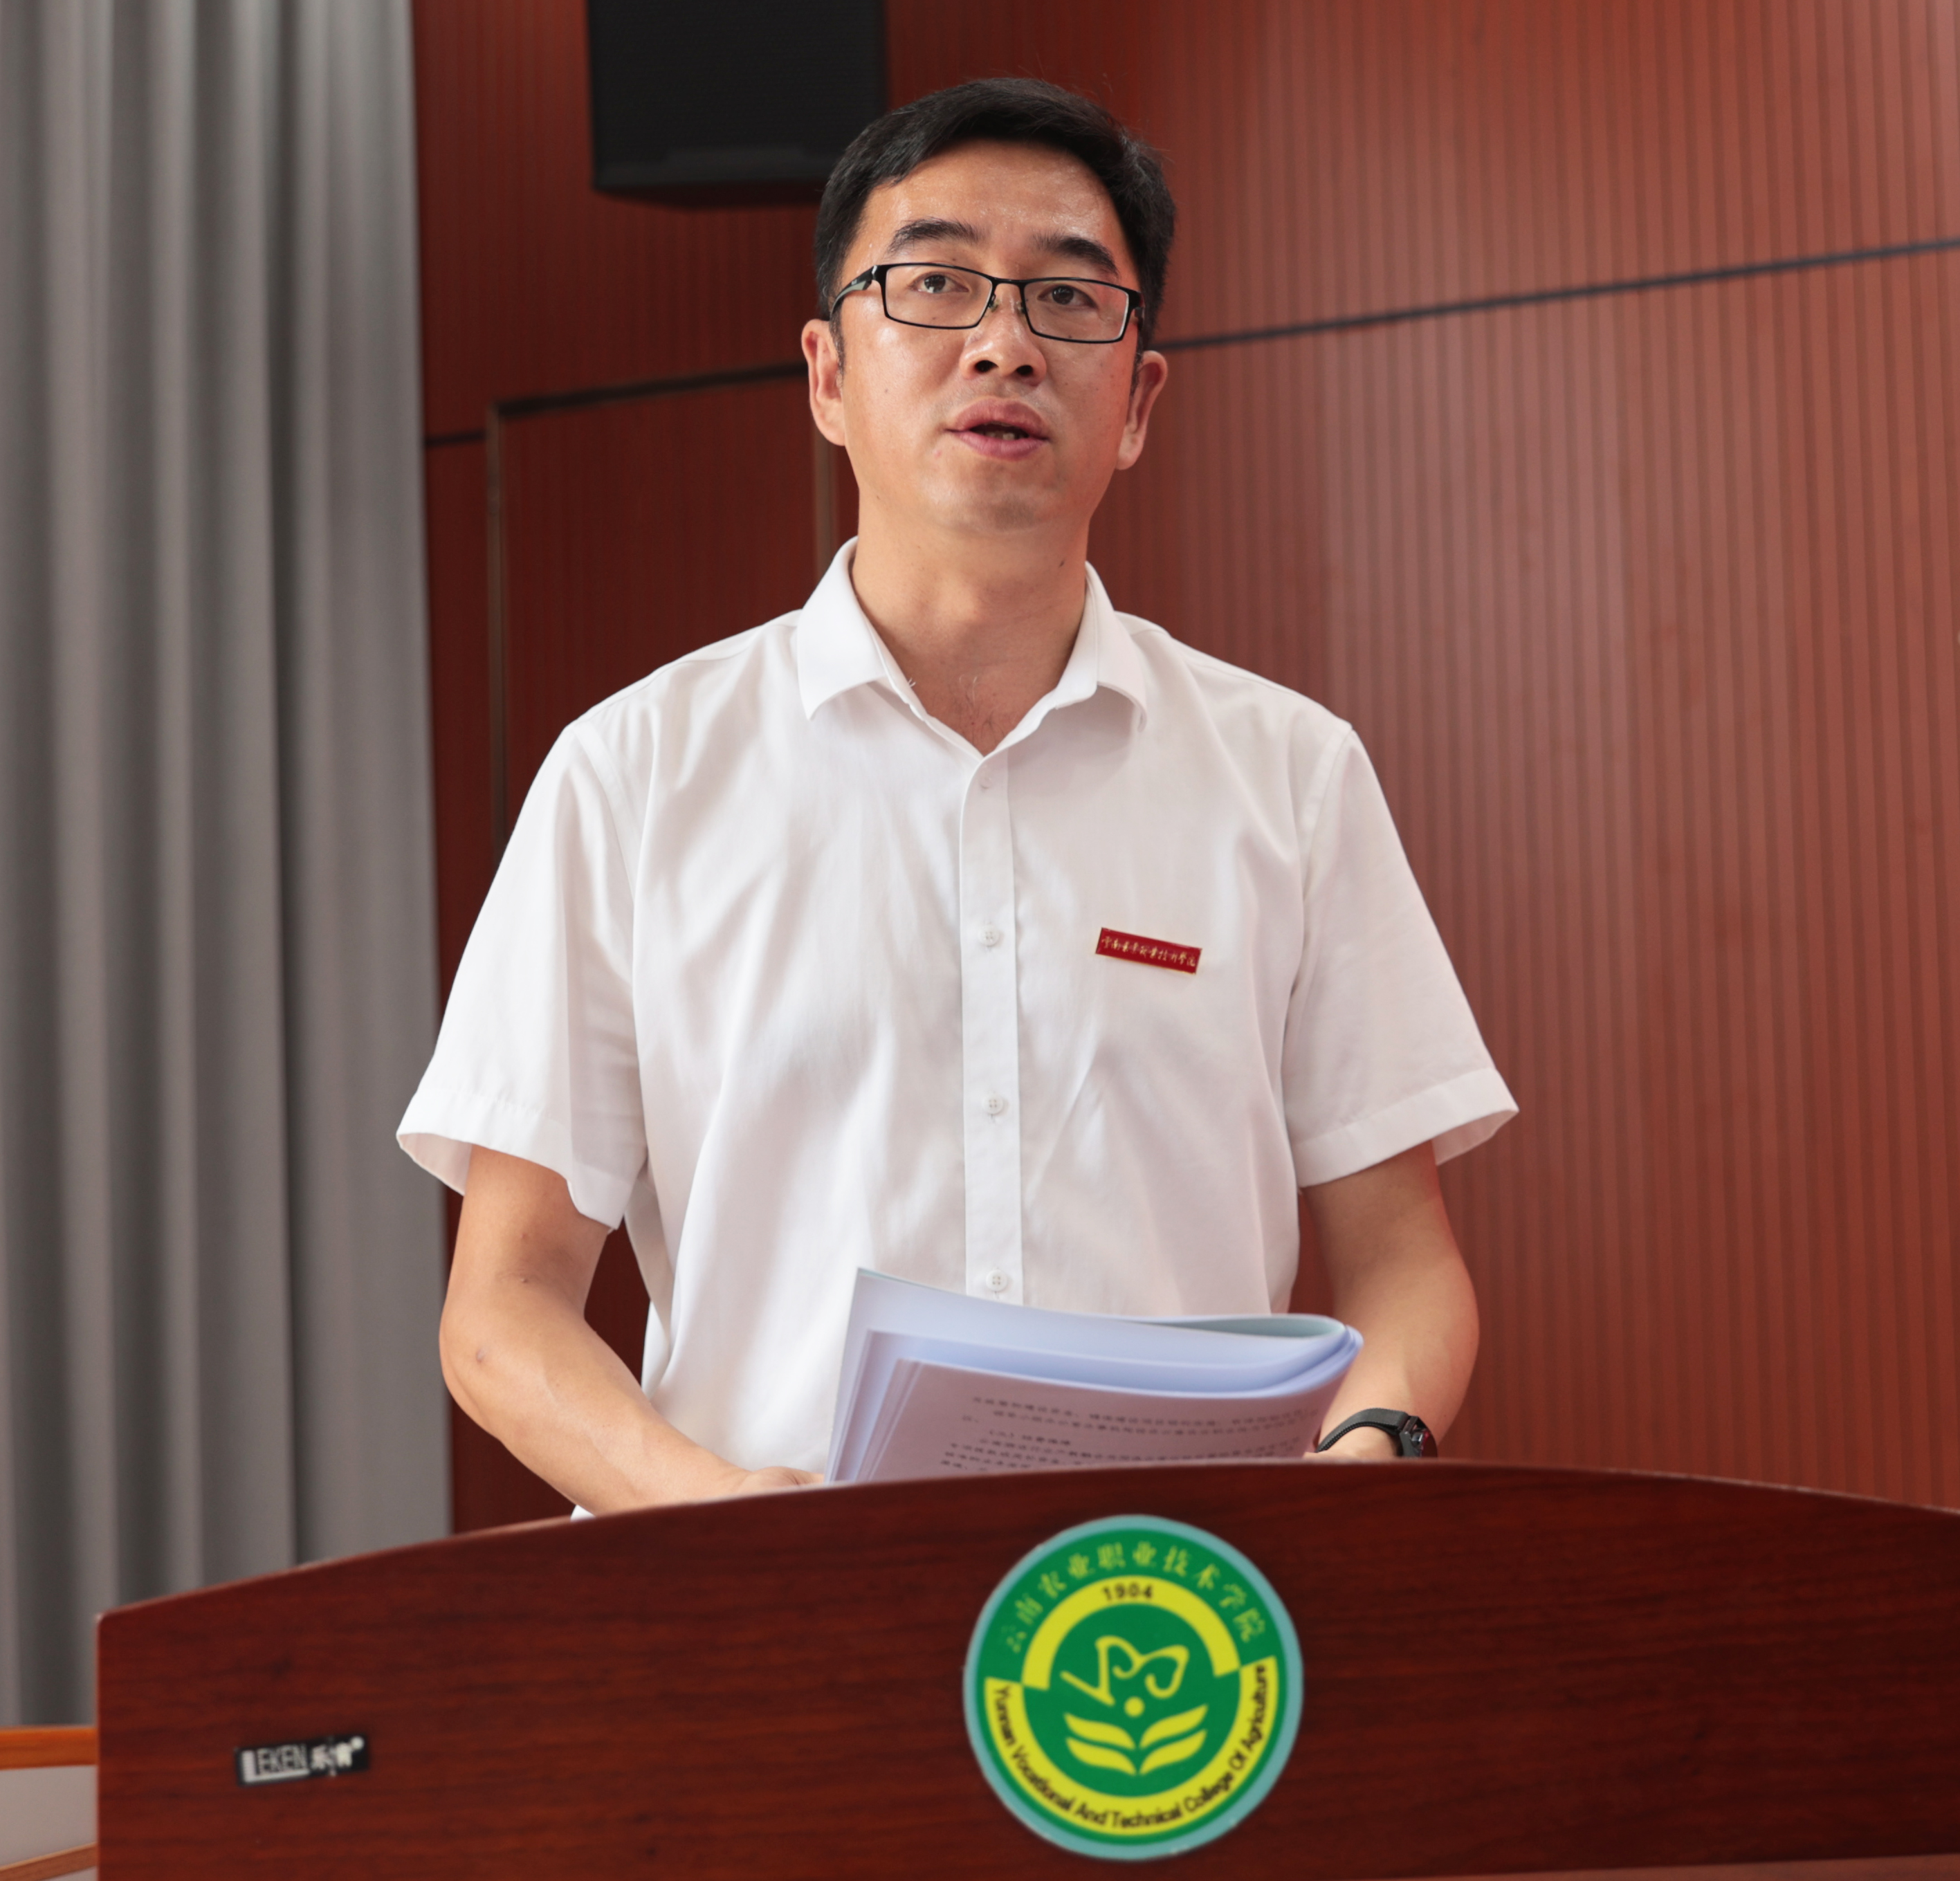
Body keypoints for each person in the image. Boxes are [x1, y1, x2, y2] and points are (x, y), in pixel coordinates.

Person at [401, 77, 1513, 1513]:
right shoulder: (632, 776)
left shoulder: (1290, 775)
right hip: (771, 1605)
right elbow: (502, 1309)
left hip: (1167, 1609)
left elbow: (1406, 1264)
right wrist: (720, 1519)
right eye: (933, 285)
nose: (1003, 343)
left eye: (1069, 298)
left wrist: (1361, 1464)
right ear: (826, 377)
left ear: (1137, 402)